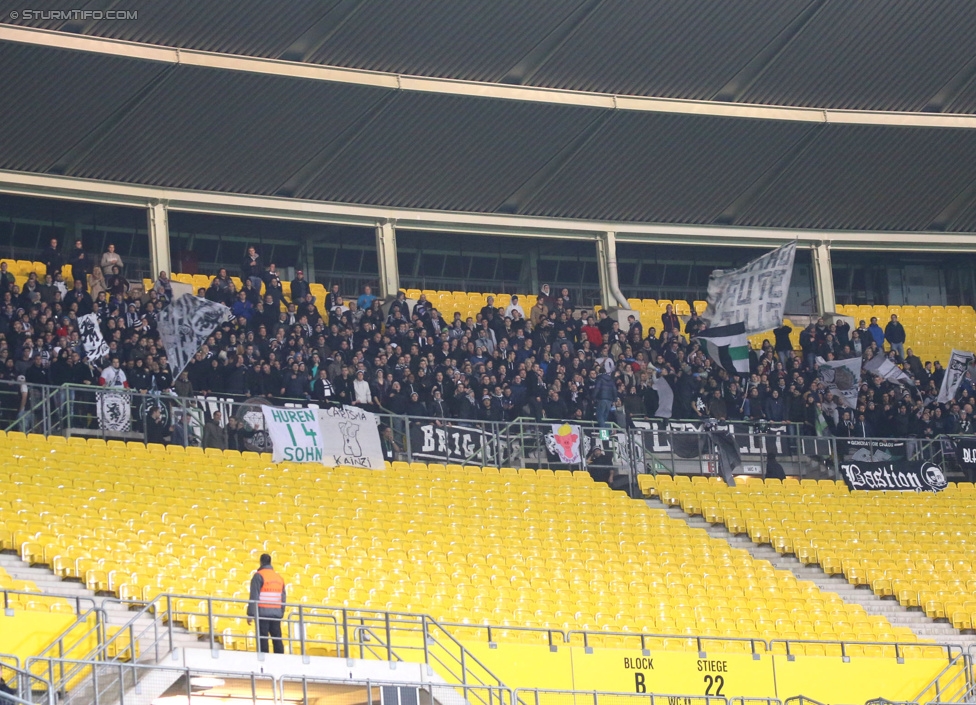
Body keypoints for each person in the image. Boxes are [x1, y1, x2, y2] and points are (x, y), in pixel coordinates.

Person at [247, 553, 286, 655]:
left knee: (263, 639)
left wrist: (251, 614)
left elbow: (254, 596)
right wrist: (280, 612)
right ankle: (280, 659)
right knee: (277, 639)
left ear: (261, 562)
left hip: (262, 613)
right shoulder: (279, 578)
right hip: (276, 614)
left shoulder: (258, 576)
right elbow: (283, 598)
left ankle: (264, 660)